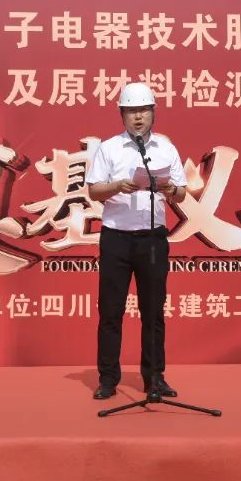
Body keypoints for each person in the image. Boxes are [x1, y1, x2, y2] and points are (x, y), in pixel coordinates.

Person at [86, 82, 187, 400]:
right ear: (122, 114)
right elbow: (94, 190)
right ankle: (108, 379)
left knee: (153, 311)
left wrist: (170, 189)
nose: (138, 117)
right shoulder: (109, 148)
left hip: (153, 238)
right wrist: (117, 186)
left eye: (143, 110)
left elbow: (182, 193)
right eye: (131, 111)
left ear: (153, 112)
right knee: (111, 310)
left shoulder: (166, 149)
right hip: (116, 238)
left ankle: (154, 377)